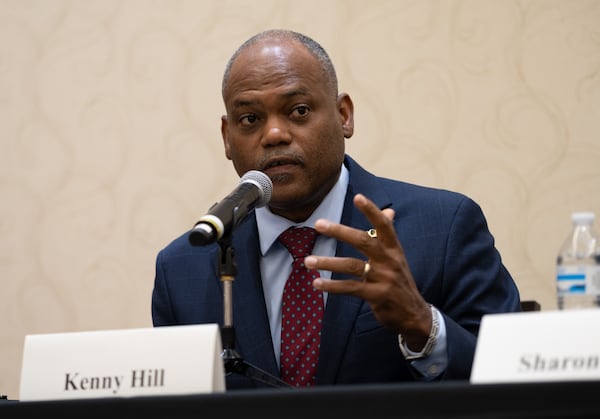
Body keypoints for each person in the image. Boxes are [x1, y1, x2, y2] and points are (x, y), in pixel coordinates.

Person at [151, 29, 521, 389]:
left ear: (344, 115)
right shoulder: (183, 268)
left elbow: (514, 383)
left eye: (298, 110)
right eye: (250, 119)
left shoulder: (443, 229)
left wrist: (422, 324)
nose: (274, 134)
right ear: (226, 137)